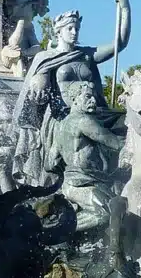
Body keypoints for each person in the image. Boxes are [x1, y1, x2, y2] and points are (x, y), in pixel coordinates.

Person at [12, 0, 131, 188]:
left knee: (128, 122)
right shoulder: (45, 58)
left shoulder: (86, 54)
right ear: (58, 31)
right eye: (70, 28)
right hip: (62, 117)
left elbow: (119, 42)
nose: (74, 32)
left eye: (77, 28)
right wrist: (39, 77)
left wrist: (125, 8)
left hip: (94, 112)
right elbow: (35, 93)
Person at [52, 81, 125, 233]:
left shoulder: (60, 125)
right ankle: (56, 232)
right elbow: (115, 143)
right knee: (107, 212)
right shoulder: (84, 121)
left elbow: (51, 162)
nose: (93, 101)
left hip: (72, 181)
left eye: (94, 97)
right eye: (88, 96)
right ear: (75, 99)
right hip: (83, 183)